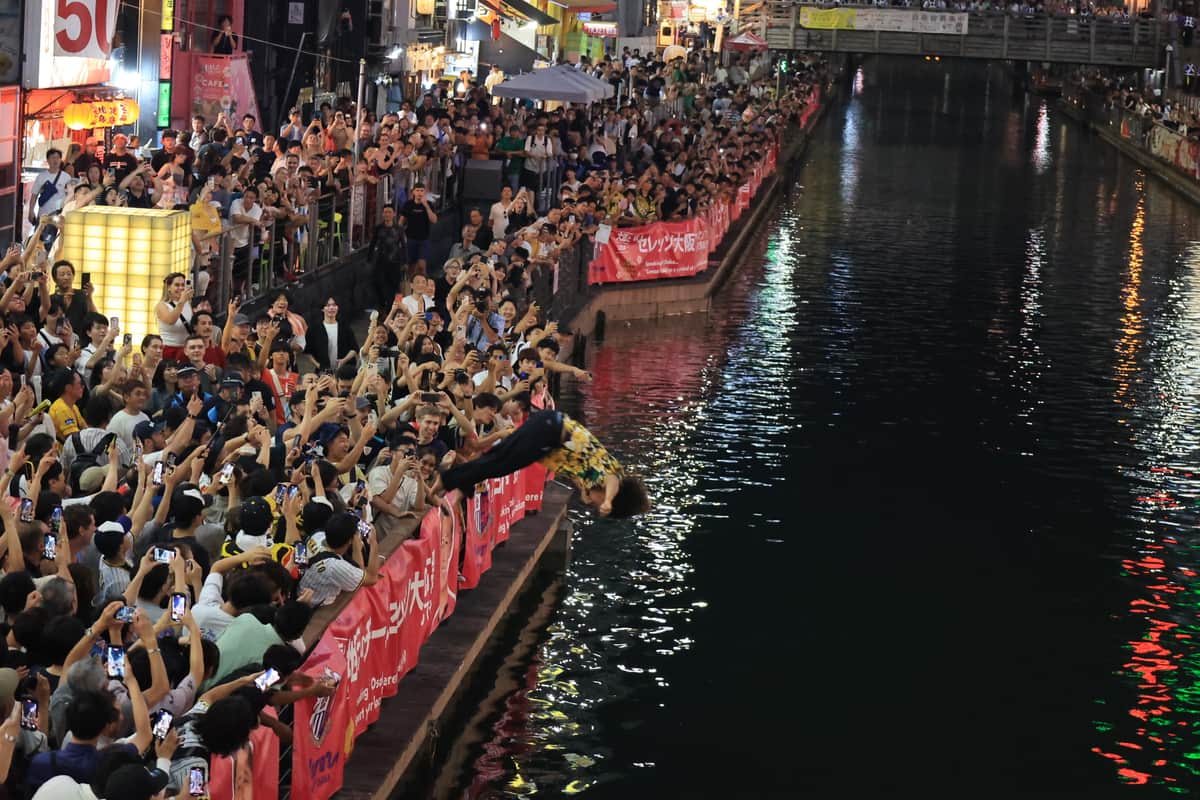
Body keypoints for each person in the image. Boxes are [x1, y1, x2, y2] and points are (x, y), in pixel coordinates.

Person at [441, 410, 649, 518]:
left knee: (498, 459)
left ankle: (462, 480)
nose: (595, 504)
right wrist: (608, 502)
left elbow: (580, 473)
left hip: (547, 431)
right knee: (499, 464)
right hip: (548, 432)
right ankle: (448, 479)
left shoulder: (593, 478)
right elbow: (613, 481)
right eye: (599, 503)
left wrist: (586, 493)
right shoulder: (612, 475)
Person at [155, 273, 194, 362]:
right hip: (169, 349)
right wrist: (182, 302)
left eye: (183, 285)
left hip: (185, 349)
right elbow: (171, 320)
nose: (181, 288)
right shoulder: (162, 305)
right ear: (169, 287)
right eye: (177, 285)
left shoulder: (188, 304)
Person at [400, 183, 437, 265]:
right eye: (417, 190)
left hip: (423, 239)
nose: (419, 193)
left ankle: (423, 277)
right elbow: (401, 222)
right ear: (413, 192)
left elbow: (434, 220)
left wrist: (426, 206)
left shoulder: (429, 204)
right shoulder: (408, 204)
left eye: (422, 191)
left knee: (421, 264)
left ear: (425, 192)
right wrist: (400, 236)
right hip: (410, 238)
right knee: (410, 264)